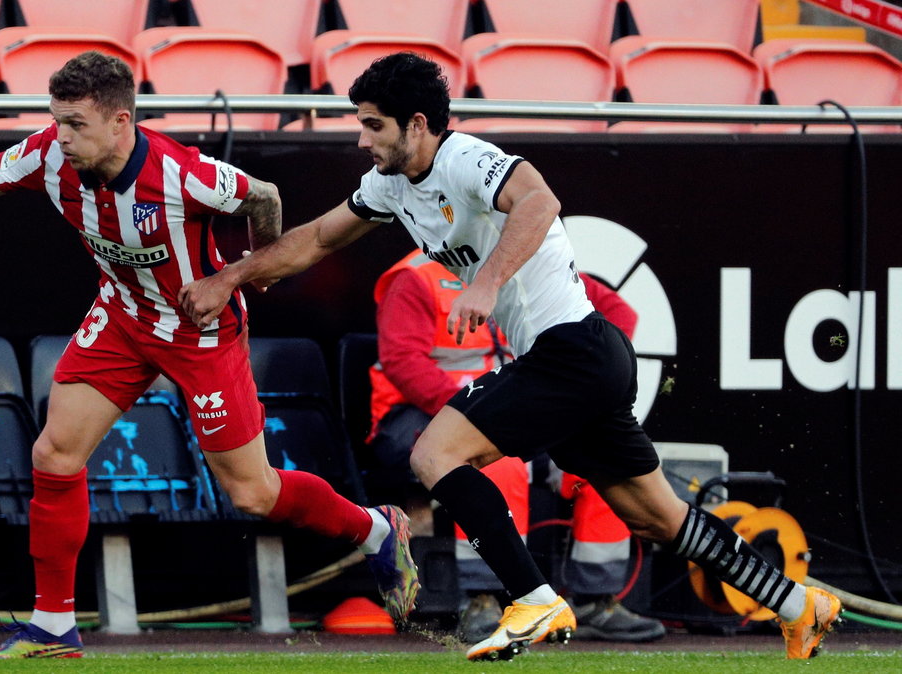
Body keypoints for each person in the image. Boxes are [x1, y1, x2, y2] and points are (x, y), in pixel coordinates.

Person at [179, 52, 841, 661]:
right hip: (588, 360)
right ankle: (799, 603)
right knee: (657, 515)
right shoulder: (390, 185)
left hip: (569, 351)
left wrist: (487, 281)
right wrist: (230, 277)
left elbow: (540, 199)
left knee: (435, 455)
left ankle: (532, 599)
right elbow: (319, 238)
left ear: (416, 125)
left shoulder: (465, 156)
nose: (361, 139)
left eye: (372, 125)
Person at [0, 51, 418, 659]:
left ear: (120, 122)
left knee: (253, 493)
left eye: (75, 125)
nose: (60, 137)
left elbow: (264, 196)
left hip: (201, 332)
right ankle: (52, 628)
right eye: (56, 120)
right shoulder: (45, 153)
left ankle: (375, 527)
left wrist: (255, 269)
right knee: (55, 453)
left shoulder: (181, 173)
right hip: (121, 319)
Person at [371, 249, 664, 643]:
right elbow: (402, 361)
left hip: (518, 406)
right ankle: (485, 599)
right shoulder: (417, 276)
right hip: (420, 414)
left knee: (601, 455)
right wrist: (481, 410)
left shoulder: (531, 259)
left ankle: (597, 600)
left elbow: (617, 314)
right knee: (494, 463)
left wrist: (579, 376)